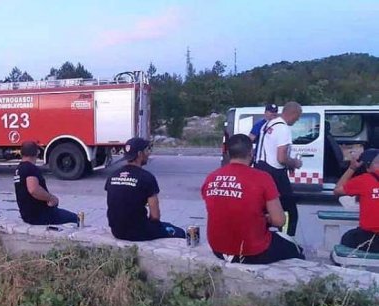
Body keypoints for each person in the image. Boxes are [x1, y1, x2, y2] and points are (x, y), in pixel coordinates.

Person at [202, 134, 305, 264]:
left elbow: (222, 208)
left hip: (218, 249)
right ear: (251, 152)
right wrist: (266, 218)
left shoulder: (211, 177)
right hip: (253, 251)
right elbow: (279, 221)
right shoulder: (263, 178)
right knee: (296, 249)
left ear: (228, 153)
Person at [105, 137, 186, 241]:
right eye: (147, 150)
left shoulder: (112, 175)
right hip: (139, 232)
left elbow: (115, 202)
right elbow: (155, 216)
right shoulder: (147, 178)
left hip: (116, 231)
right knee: (180, 232)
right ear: (139, 154)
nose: (148, 154)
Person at [254, 101, 303, 237]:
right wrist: (294, 163)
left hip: (260, 169)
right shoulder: (283, 128)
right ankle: (288, 241)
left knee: (264, 209)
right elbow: (281, 158)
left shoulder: (268, 124)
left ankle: (259, 236)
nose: (297, 120)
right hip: (275, 172)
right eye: (297, 117)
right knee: (289, 211)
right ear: (292, 114)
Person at [14, 141, 79, 225]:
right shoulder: (31, 168)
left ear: (21, 153)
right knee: (76, 219)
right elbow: (33, 190)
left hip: (27, 215)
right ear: (37, 152)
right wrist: (51, 198)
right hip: (40, 215)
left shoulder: (18, 169)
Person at [333, 149, 379, 252]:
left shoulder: (364, 180)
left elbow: (337, 190)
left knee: (348, 238)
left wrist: (352, 168)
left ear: (367, 166)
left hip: (371, 239)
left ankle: (345, 267)